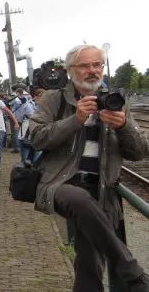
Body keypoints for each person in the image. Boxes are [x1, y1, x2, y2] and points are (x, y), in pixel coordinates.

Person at [29, 44, 149, 292]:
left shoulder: (115, 102)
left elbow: (139, 152)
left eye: (97, 65)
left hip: (103, 189)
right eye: (85, 65)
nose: (92, 70)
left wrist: (124, 125)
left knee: (88, 258)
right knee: (80, 198)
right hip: (61, 184)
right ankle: (133, 273)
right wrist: (76, 119)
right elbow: (36, 138)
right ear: (71, 70)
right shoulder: (54, 98)